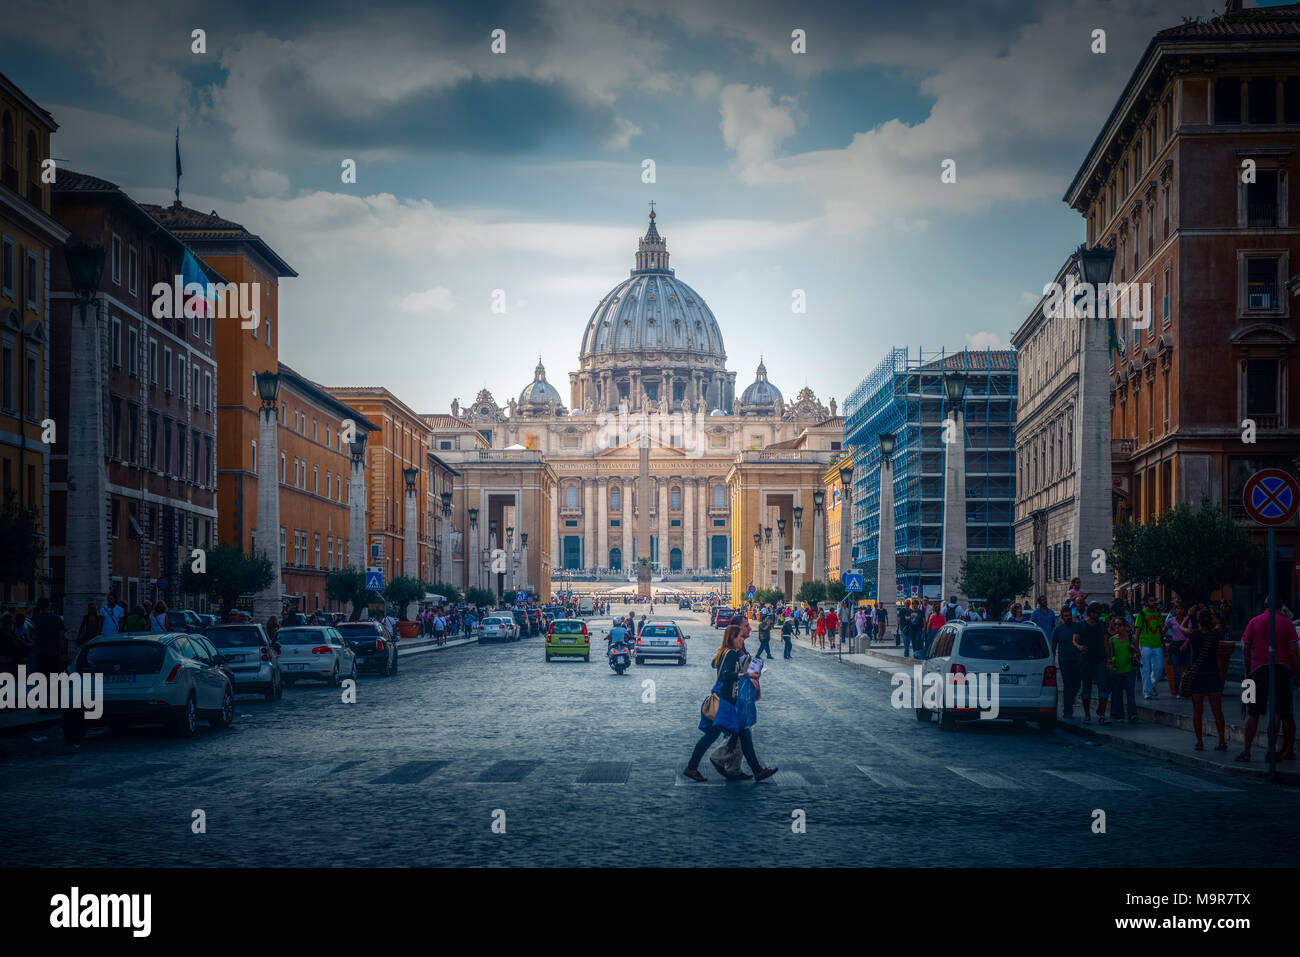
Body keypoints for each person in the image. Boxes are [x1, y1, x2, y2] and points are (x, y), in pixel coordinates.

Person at [682, 625, 777, 783]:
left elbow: (716, 666)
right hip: (725, 703)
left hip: (725, 700)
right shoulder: (731, 653)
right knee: (715, 736)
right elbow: (726, 675)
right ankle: (694, 767)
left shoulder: (723, 652)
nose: (742, 640)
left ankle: (754, 770)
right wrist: (746, 674)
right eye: (740, 636)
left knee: (740, 734)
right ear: (732, 638)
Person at [1236, 599, 1300, 763]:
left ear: (1265, 606)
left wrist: (1247, 671)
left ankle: (1246, 752)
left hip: (1257, 672)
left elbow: (1245, 648)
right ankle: (1276, 752)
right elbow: (1294, 652)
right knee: (1283, 714)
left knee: (1252, 712)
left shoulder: (1254, 621)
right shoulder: (1287, 624)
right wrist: (1297, 672)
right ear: (1281, 607)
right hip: (1282, 671)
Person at [1182, 610, 1227, 751]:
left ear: (1198, 621)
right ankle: (1221, 741)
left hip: (1198, 676)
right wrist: (1213, 616)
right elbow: (1219, 624)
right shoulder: (1214, 634)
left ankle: (1199, 742)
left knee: (1197, 710)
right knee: (1217, 710)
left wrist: (1188, 615)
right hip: (1213, 674)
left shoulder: (1193, 635)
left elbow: (1181, 627)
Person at [1074, 602, 1110, 724]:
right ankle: (1087, 715)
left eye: (1099, 613)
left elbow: (1106, 642)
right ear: (1090, 612)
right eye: (1096, 613)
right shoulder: (1081, 625)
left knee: (1103, 686)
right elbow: (1074, 640)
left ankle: (1102, 714)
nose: (1097, 615)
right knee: (1086, 687)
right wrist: (1079, 647)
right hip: (1086, 660)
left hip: (1100, 659)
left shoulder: (1101, 625)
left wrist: (1109, 658)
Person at [1104, 617, 1139, 724]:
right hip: (1117, 670)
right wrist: (1109, 663)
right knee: (1117, 693)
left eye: (1119, 625)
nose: (1117, 627)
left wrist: (1134, 649)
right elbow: (1110, 656)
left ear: (1124, 626)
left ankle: (1132, 714)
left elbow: (1138, 653)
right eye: (1115, 625)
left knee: (1130, 693)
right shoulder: (1112, 640)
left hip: (1129, 669)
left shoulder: (1131, 638)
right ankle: (1119, 714)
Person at [1052, 605, 1082, 719]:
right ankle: (1067, 710)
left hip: (1077, 660)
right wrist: (1052, 662)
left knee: (1077, 684)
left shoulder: (1077, 627)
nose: (1068, 618)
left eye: (1069, 615)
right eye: (1066, 616)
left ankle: (1070, 701)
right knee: (1068, 685)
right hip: (1064, 661)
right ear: (1062, 617)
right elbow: (1053, 647)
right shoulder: (1058, 630)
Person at [1134, 593, 1165, 700]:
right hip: (1144, 645)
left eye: (1154, 600)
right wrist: (1137, 649)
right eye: (1151, 601)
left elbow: (1160, 629)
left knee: (1159, 668)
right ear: (1146, 602)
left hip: (1157, 645)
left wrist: (1163, 643)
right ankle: (1146, 692)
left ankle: (1151, 686)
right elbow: (1137, 633)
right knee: (1145, 670)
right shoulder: (1141, 614)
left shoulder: (1158, 613)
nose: (1154, 602)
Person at [31, 598, 67, 676]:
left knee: (42, 676)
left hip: (40, 652)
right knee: (54, 675)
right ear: (49, 605)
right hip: (54, 651)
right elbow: (61, 638)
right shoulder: (57, 619)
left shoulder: (37, 619)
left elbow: (35, 635)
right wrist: (63, 652)